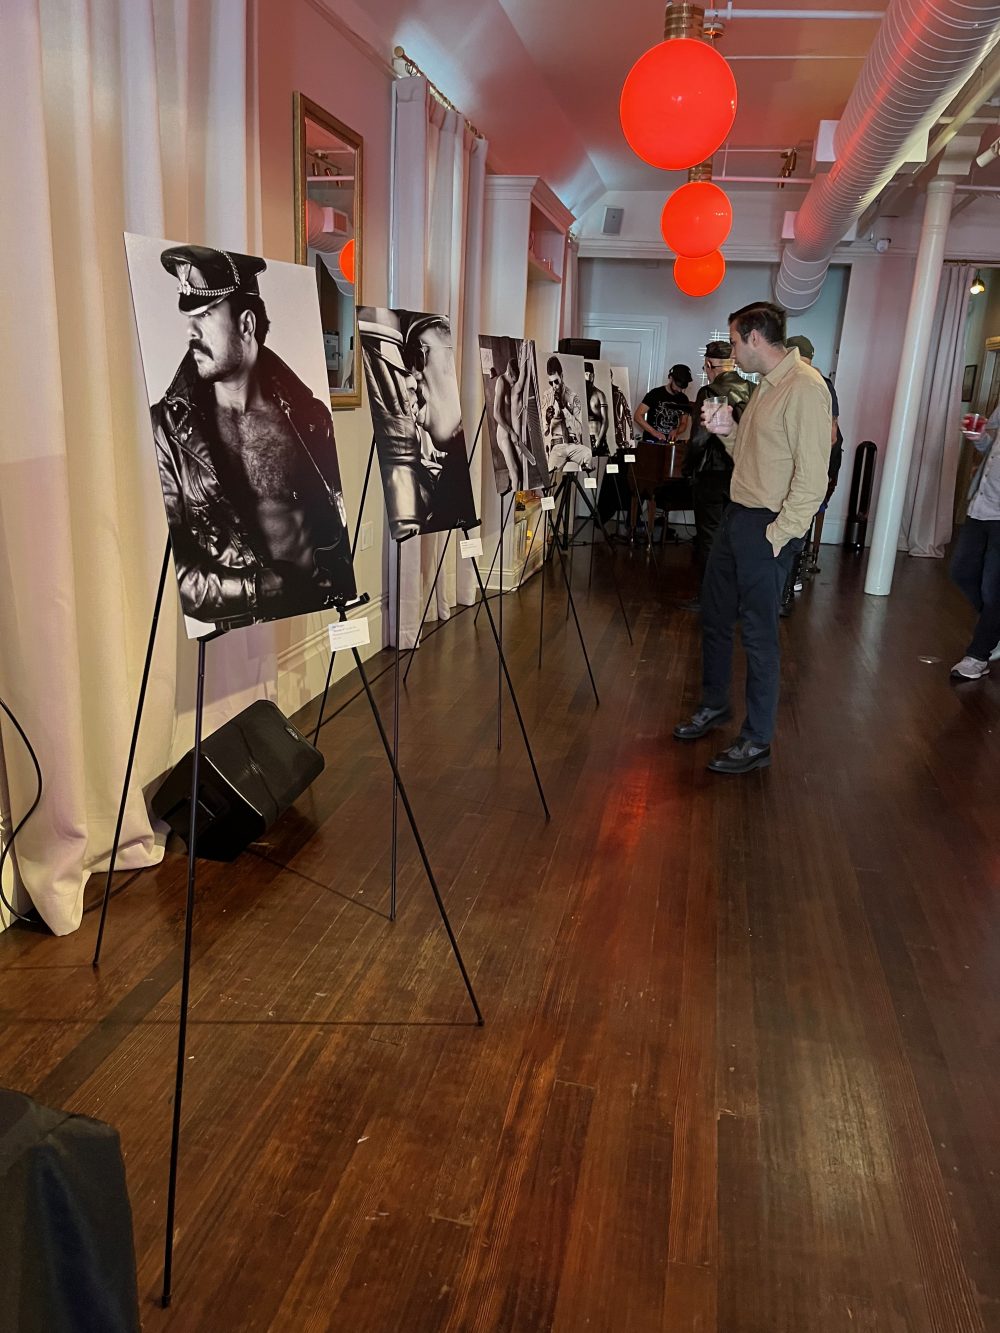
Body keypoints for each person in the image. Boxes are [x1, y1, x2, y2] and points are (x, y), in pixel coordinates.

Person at [152, 244, 354, 628]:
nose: (190, 331)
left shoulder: (310, 417)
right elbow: (183, 572)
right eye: (189, 317)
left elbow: (333, 518)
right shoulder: (169, 431)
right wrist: (258, 589)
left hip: (318, 609)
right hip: (244, 625)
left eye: (205, 314)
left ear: (246, 325)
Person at [673, 302, 831, 774]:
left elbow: (813, 478)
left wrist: (779, 535)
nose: (732, 352)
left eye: (735, 341)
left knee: (760, 637)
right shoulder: (765, 385)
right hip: (737, 517)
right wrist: (726, 431)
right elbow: (749, 453)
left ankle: (757, 740)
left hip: (768, 527)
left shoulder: (805, 388)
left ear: (756, 338)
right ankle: (715, 704)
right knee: (716, 617)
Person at [360, 309, 477, 540]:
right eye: (406, 364)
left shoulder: (459, 469)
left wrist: (400, 460)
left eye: (418, 355)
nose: (412, 378)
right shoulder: (442, 474)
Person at [681, 340, 754, 606]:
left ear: (710, 365)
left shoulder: (710, 391)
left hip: (712, 473)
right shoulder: (753, 390)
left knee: (709, 536)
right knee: (738, 537)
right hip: (743, 475)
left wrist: (687, 468)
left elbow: (700, 437)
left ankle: (710, 596)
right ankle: (735, 595)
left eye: (705, 367)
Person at [779, 335, 842, 615]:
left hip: (808, 469)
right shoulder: (820, 382)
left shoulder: (809, 383)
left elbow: (829, 435)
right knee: (796, 528)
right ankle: (786, 589)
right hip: (817, 468)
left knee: (794, 528)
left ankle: (784, 593)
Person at [950, 403, 1000, 680]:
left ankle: (978, 655)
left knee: (994, 589)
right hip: (982, 504)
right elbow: (992, 447)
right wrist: (979, 438)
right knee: (961, 571)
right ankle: (994, 628)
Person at [631, 365, 692, 541]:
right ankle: (634, 523)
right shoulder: (655, 394)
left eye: (683, 386)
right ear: (670, 378)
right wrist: (654, 432)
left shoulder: (683, 399)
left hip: (668, 448)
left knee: (664, 486)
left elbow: (684, 423)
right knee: (643, 485)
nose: (680, 389)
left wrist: (677, 431)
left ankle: (657, 521)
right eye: (678, 385)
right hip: (650, 448)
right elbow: (638, 416)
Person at [542, 355, 592, 472]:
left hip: (573, 445)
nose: (554, 386)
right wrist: (547, 420)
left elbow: (579, 430)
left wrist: (564, 408)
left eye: (556, 381)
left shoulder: (573, 397)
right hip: (557, 446)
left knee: (588, 454)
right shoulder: (547, 397)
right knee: (550, 475)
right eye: (551, 383)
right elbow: (544, 432)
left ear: (562, 376)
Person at [585, 361, 611, 455]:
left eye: (591, 374)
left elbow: (605, 420)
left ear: (593, 375)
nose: (589, 377)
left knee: (602, 462)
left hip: (597, 437)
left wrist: (599, 440)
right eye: (586, 374)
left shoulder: (599, 394)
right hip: (584, 439)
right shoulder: (578, 395)